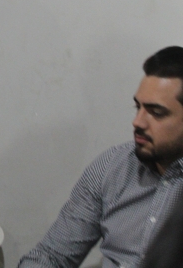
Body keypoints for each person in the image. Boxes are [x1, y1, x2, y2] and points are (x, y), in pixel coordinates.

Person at [18, 46, 183, 268]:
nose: (138, 122)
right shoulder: (112, 166)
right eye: (138, 107)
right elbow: (52, 255)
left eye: (156, 113)